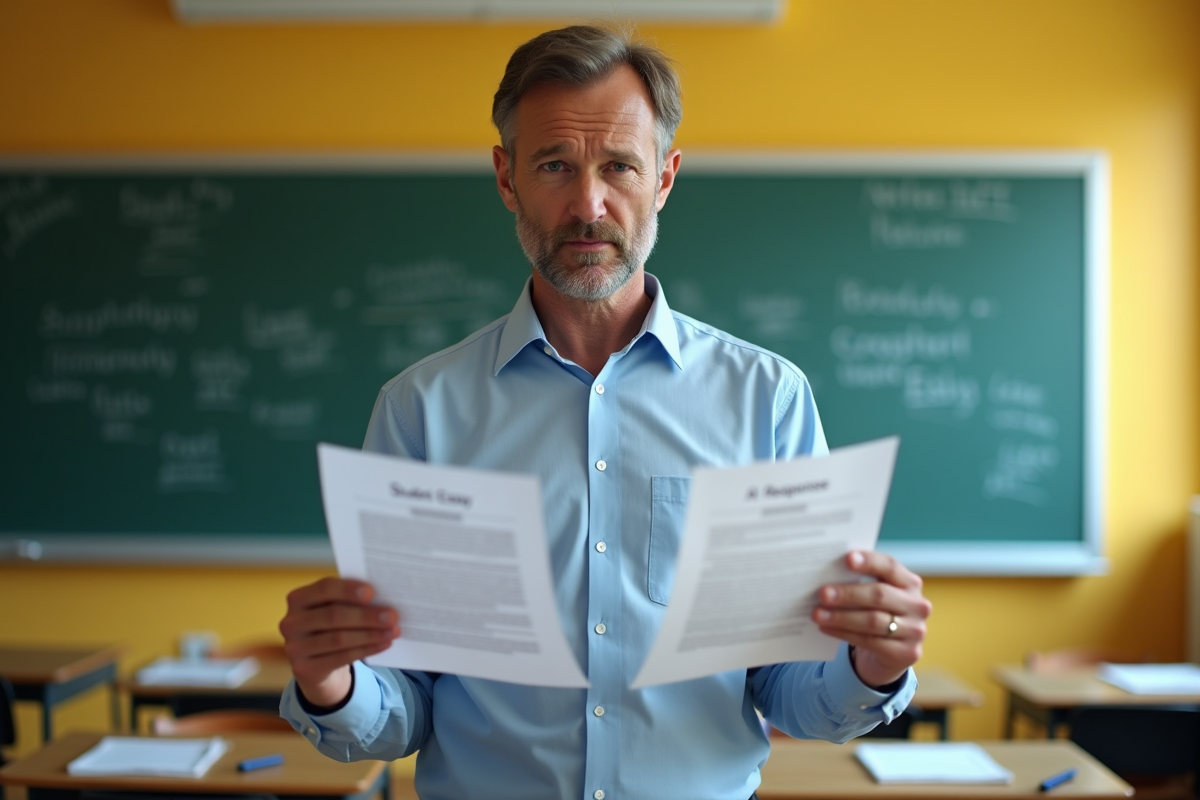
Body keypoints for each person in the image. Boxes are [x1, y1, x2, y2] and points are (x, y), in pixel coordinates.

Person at [279, 24, 931, 800]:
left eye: (619, 165)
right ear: (506, 178)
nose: (589, 205)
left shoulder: (767, 401)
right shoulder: (421, 411)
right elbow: (404, 714)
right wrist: (330, 681)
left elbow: (792, 692)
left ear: (663, 179)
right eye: (554, 164)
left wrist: (872, 665)